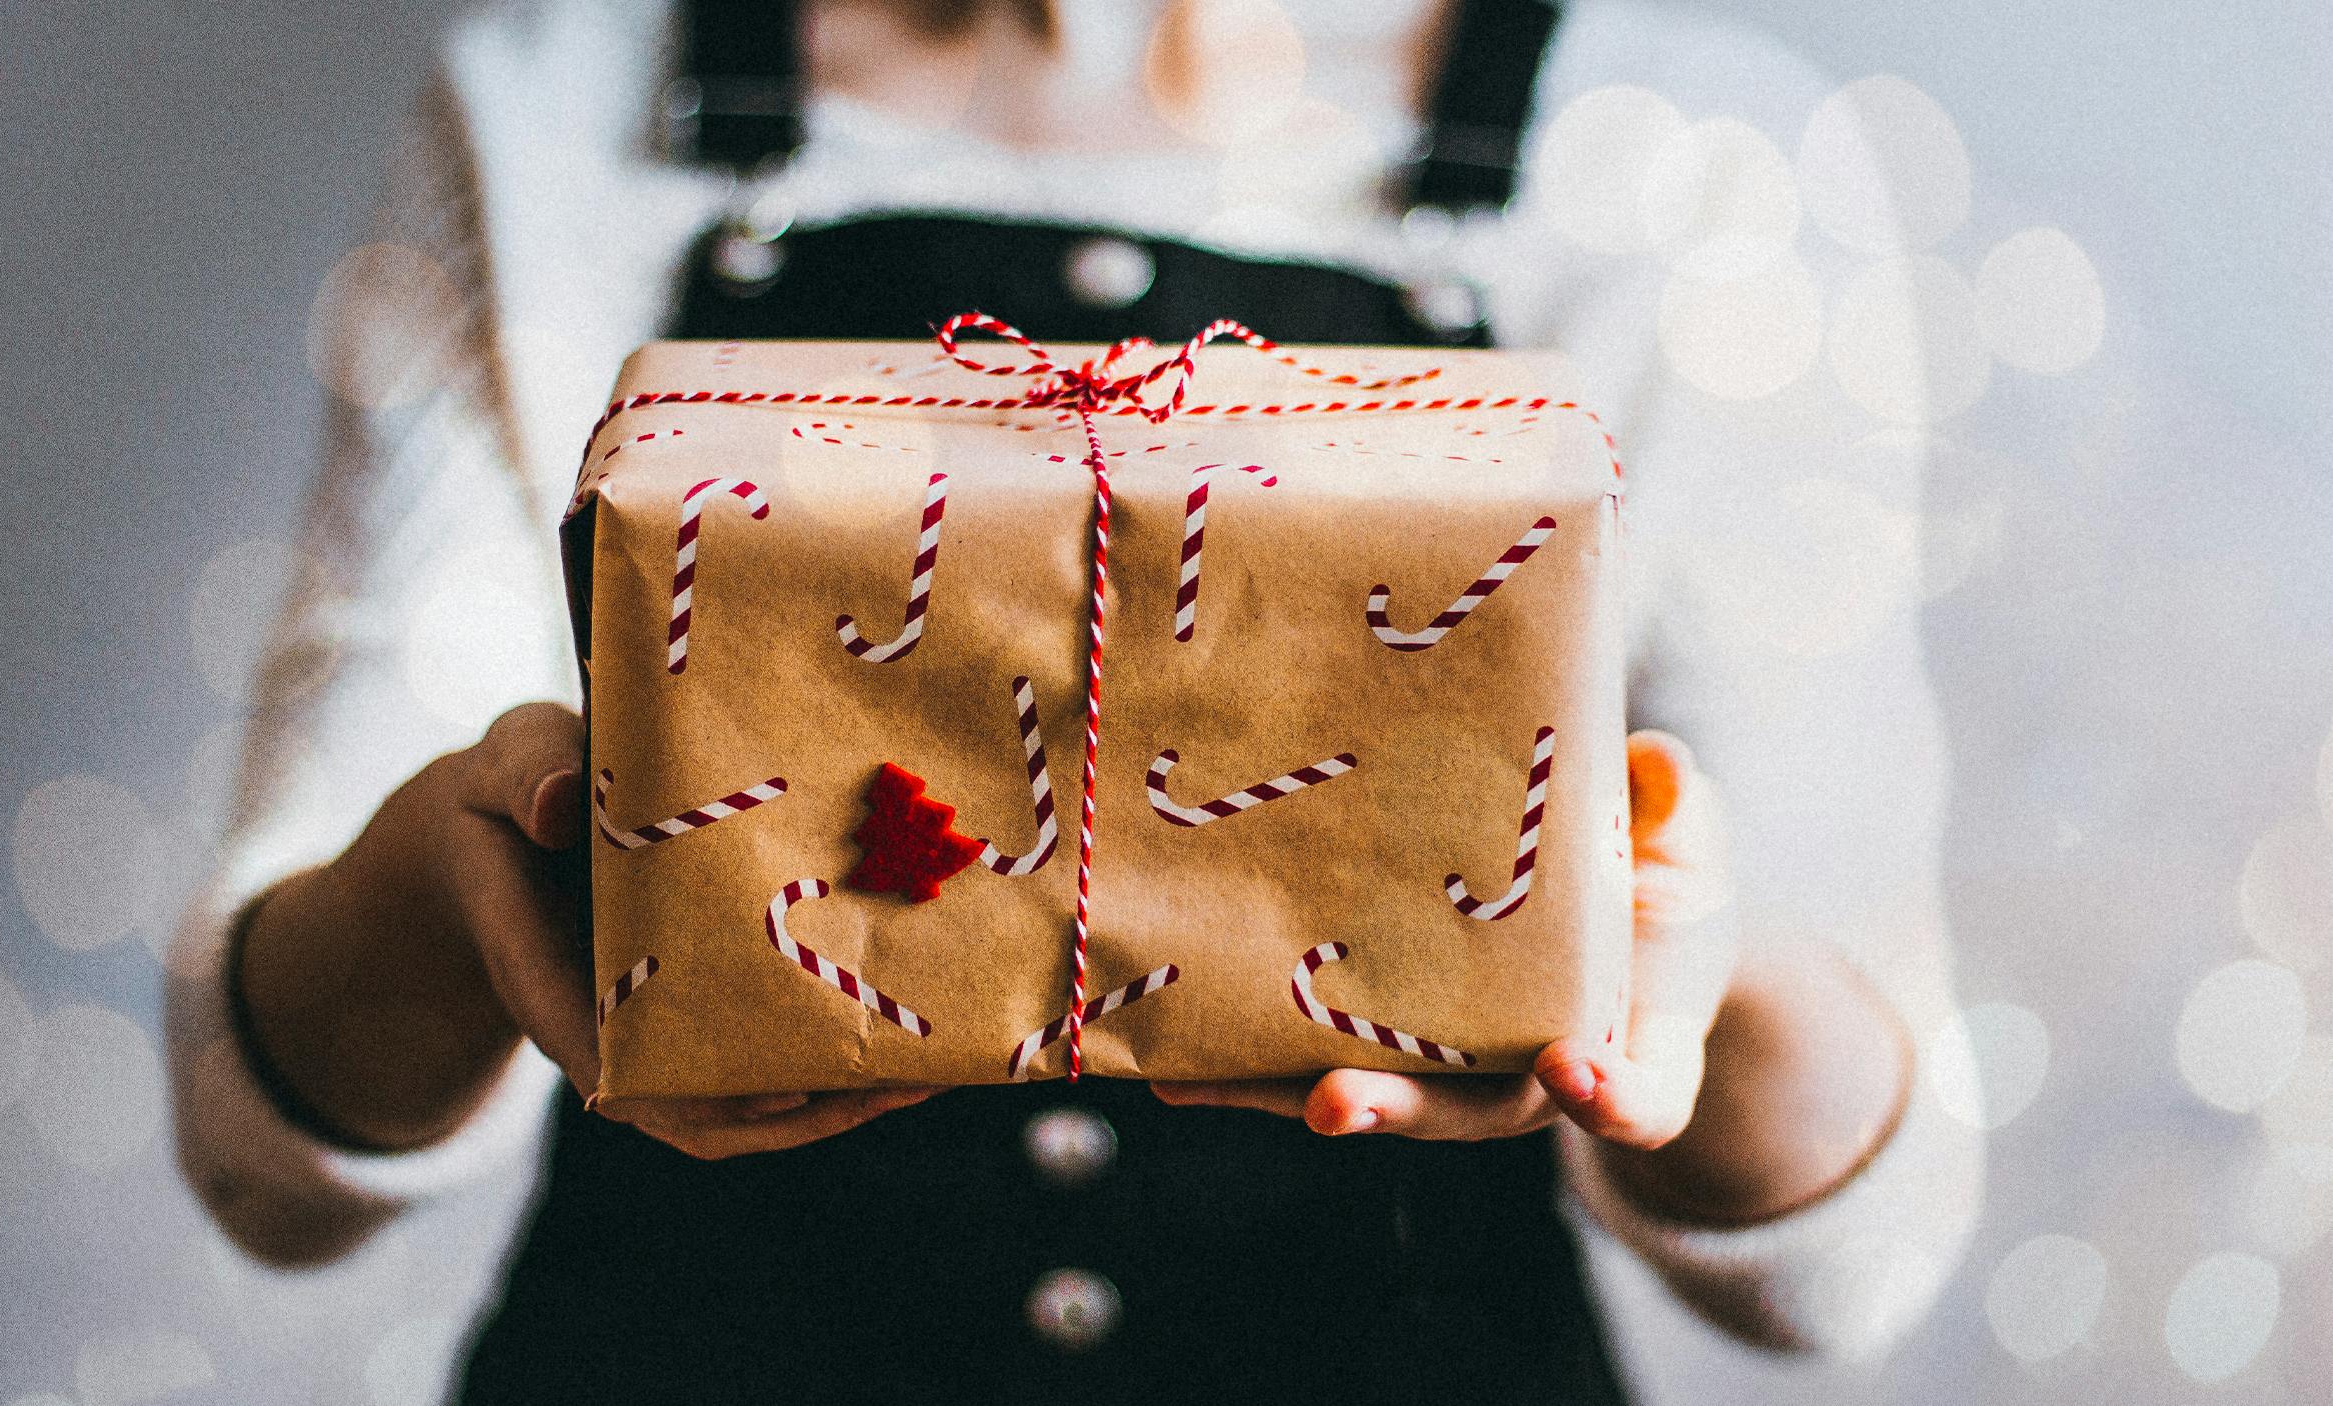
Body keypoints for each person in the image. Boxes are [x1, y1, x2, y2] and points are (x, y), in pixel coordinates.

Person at [167, 0, 1982, 1398]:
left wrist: (1679, 965)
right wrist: (449, 874)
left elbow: (1854, 1256)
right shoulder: (567, 103)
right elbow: (267, 1160)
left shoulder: (1688, 164)